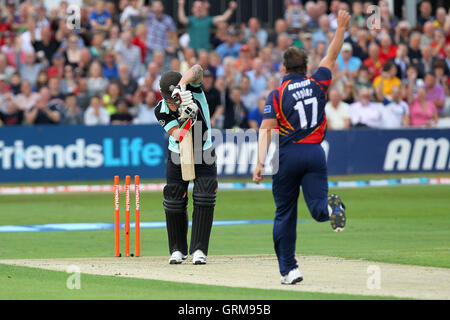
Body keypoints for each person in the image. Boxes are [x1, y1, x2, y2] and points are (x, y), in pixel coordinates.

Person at [253, 10, 350, 285]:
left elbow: (265, 130)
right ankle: (332, 211)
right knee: (318, 208)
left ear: (283, 69)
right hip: (315, 153)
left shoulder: (278, 93)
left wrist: (259, 163)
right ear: (305, 67)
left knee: (285, 213)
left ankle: (290, 270)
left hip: (287, 155)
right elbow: (331, 56)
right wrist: (341, 27)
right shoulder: (317, 83)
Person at [154, 64, 217, 265]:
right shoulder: (160, 110)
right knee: (174, 199)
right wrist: (187, 118)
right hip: (178, 153)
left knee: (205, 196)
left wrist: (182, 87)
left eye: (174, 101)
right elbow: (178, 134)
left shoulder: (194, 90)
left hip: (204, 151)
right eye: (170, 101)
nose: (173, 105)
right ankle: (177, 250)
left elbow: (198, 69)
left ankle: (199, 250)